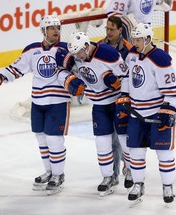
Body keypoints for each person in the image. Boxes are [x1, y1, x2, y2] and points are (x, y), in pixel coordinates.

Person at [0, 16, 85, 195]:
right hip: (38, 101)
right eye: (51, 28)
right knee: (42, 138)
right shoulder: (32, 50)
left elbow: (80, 69)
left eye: (57, 28)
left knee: (54, 139)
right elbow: (16, 68)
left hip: (58, 101)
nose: (56, 31)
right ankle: (50, 171)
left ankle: (58, 175)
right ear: (43, 31)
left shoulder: (65, 49)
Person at [56, 32, 131, 196]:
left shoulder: (108, 54)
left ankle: (132, 171)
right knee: (102, 142)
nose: (77, 57)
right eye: (74, 54)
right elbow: (59, 68)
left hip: (116, 102)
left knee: (124, 139)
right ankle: (108, 177)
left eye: (79, 53)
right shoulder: (75, 56)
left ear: (86, 46)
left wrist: (124, 94)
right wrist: (69, 80)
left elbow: (126, 75)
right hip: (98, 105)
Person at [116, 23, 176, 203]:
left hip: (156, 114)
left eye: (138, 39)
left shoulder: (160, 59)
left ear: (148, 39)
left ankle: (168, 187)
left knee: (164, 153)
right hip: (136, 114)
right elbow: (127, 77)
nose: (134, 42)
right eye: (134, 39)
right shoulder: (132, 55)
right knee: (135, 151)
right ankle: (138, 184)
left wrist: (169, 109)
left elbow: (172, 89)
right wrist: (124, 97)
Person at [98, 16, 133, 185]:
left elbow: (132, 74)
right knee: (110, 139)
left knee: (123, 137)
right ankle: (113, 175)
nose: (109, 32)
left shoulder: (129, 49)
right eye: (107, 29)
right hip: (105, 100)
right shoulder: (99, 47)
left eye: (112, 29)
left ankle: (130, 170)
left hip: (122, 100)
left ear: (120, 30)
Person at [104, 0, 173, 41]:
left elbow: (166, 6)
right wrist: (128, 22)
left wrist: (162, 3)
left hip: (146, 36)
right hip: (127, 39)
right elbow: (113, 15)